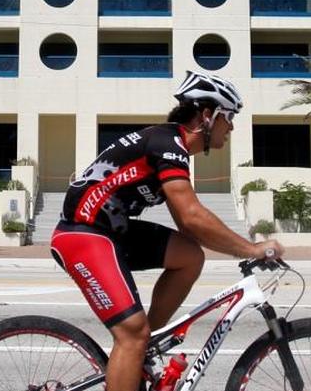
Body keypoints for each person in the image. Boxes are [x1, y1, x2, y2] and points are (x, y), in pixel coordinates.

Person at [50, 71, 284, 391]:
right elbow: (191, 216)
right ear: (207, 115)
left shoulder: (171, 146)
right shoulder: (167, 142)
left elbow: (188, 224)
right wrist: (252, 248)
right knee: (131, 332)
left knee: (188, 255)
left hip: (111, 232)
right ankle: (136, 340)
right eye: (228, 117)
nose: (231, 126)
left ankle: (145, 344)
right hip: (83, 233)